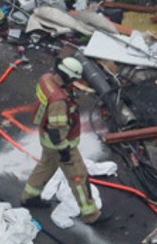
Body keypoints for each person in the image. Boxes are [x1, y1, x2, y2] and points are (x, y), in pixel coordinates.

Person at [21, 57, 102, 225]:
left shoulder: (46, 79)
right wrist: (65, 151)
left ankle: (29, 196)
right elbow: (56, 129)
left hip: (46, 139)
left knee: (46, 165)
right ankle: (91, 214)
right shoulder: (59, 101)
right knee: (78, 176)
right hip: (61, 144)